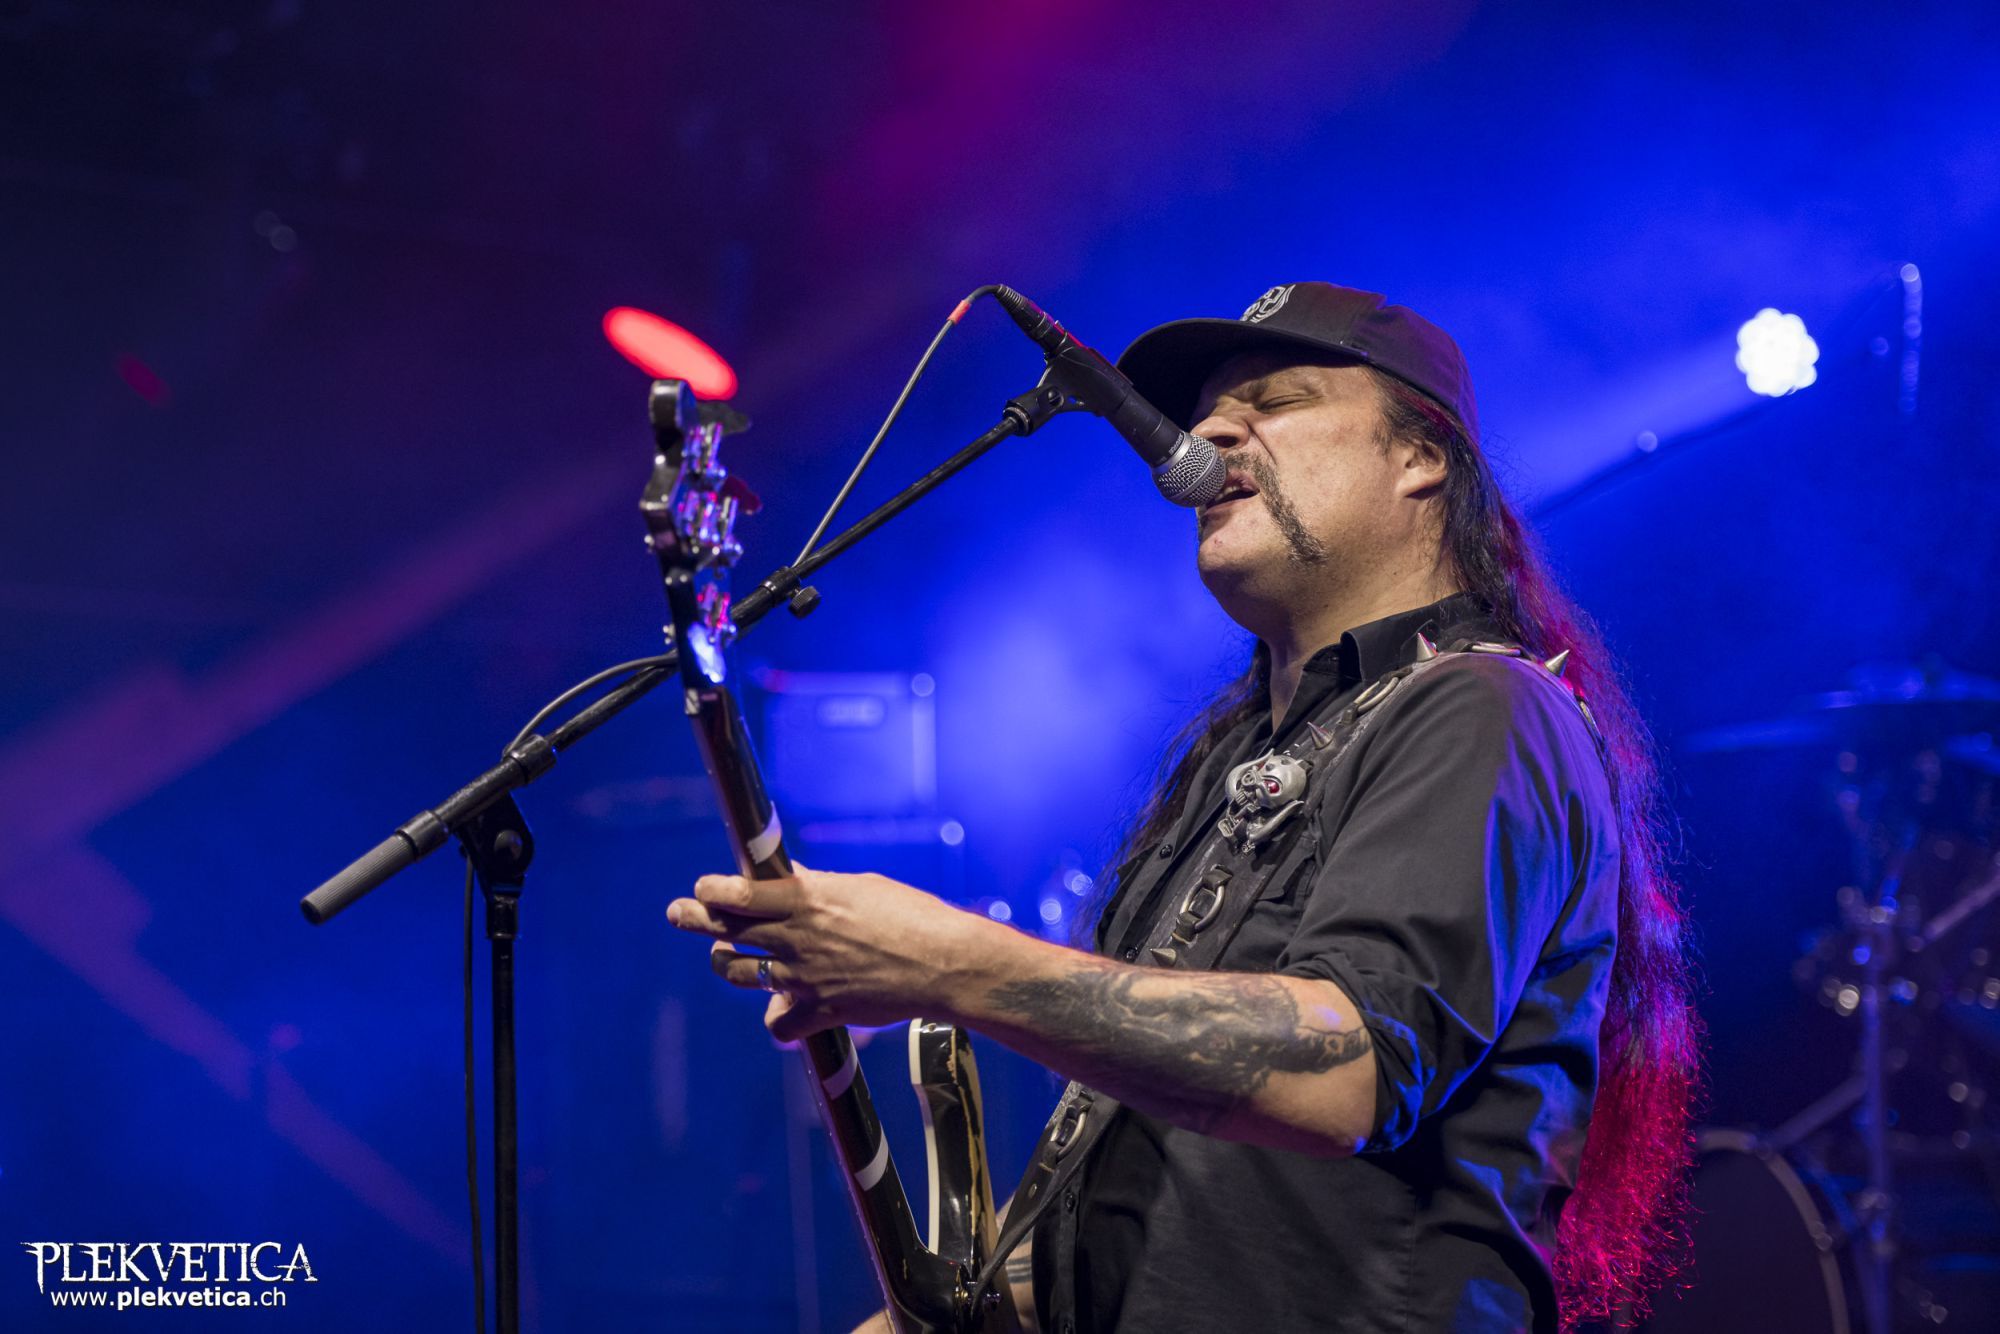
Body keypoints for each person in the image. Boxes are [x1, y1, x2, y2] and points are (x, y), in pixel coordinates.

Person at [667, 283, 1700, 1333]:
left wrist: (946, 963)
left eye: (1276, 401)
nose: (1210, 435)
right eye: (1208, 415)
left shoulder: (1484, 707)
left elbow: (1347, 1072)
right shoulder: (1231, 761)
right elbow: (1167, 1209)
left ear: (1419, 456)